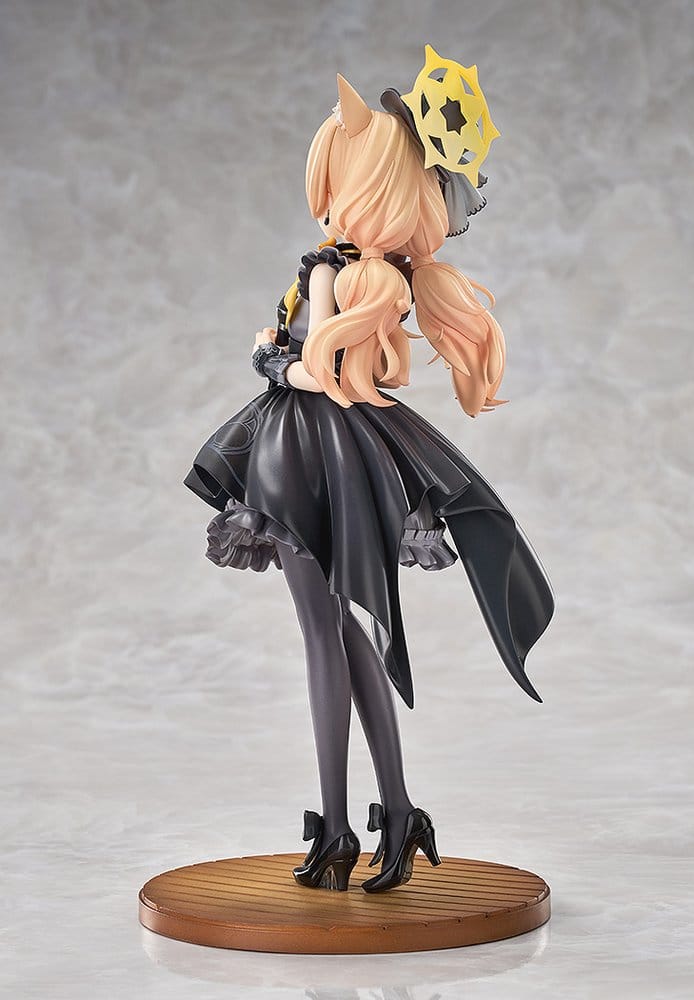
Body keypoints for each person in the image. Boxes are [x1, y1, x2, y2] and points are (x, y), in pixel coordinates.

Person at [184, 48, 555, 893]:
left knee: (329, 634)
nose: (328, 198)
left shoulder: (338, 272)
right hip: (337, 453)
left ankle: (343, 828)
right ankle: (392, 814)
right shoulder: (377, 275)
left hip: (309, 454)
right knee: (350, 631)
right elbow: (351, 370)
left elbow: (325, 374)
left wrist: (270, 357)